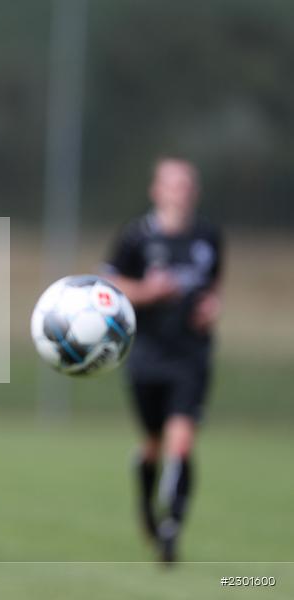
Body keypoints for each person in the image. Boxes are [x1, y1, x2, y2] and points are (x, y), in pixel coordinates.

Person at [103, 157, 223, 564]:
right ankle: (146, 504)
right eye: (173, 185)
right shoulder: (136, 237)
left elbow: (212, 289)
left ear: (196, 191)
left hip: (191, 356)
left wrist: (210, 308)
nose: (181, 192)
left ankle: (171, 528)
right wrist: (147, 291)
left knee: (182, 440)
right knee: (153, 445)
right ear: (157, 191)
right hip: (146, 355)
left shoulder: (208, 236)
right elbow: (107, 285)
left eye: (187, 185)